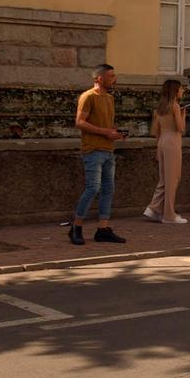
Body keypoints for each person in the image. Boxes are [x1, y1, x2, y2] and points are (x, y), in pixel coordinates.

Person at [69, 64, 127, 245]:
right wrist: (105, 132)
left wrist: (115, 133)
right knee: (93, 188)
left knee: (108, 189)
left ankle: (103, 228)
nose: (114, 79)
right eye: (110, 76)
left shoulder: (109, 98)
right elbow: (79, 122)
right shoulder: (88, 97)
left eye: (114, 75)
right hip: (93, 150)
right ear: (99, 78)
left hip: (108, 149)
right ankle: (76, 227)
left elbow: (106, 125)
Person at [143, 79, 188, 224]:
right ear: (175, 91)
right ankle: (169, 214)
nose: (183, 91)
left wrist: (157, 148)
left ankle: (154, 208)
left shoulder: (160, 107)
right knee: (173, 179)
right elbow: (181, 128)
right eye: (181, 89)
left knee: (164, 178)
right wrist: (183, 115)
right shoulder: (175, 106)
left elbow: (156, 130)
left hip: (162, 141)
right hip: (172, 142)